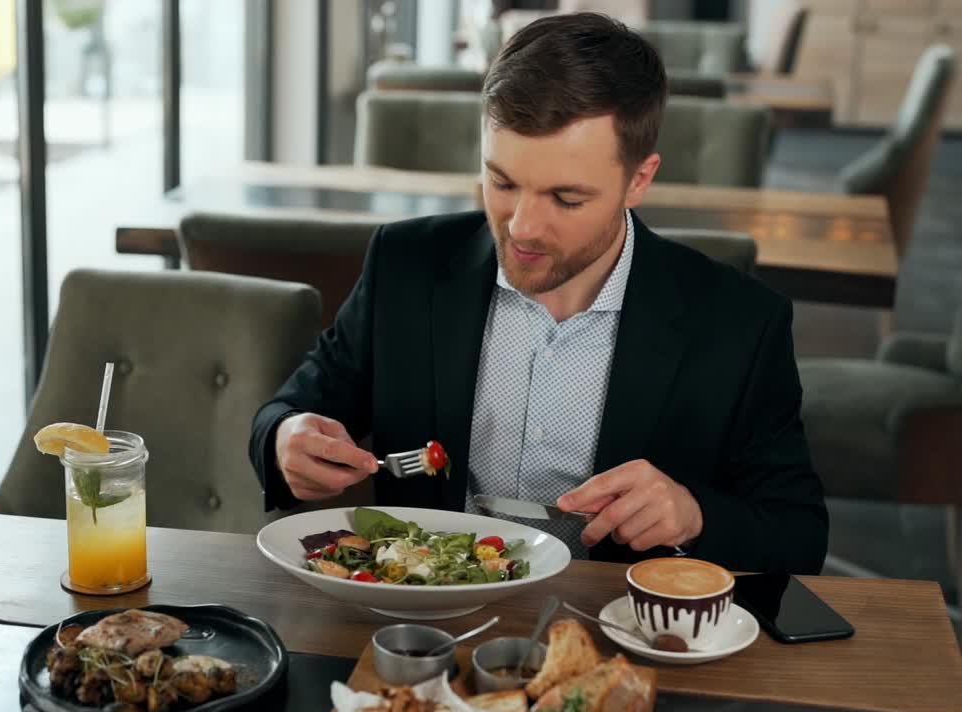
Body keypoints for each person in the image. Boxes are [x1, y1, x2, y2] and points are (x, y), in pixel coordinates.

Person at [249, 13, 828, 574]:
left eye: (566, 199)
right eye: (501, 182)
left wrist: (693, 514)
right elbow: (288, 412)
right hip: (426, 622)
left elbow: (799, 533)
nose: (521, 226)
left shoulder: (740, 322)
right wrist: (283, 441)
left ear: (639, 179)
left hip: (618, 634)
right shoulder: (406, 267)